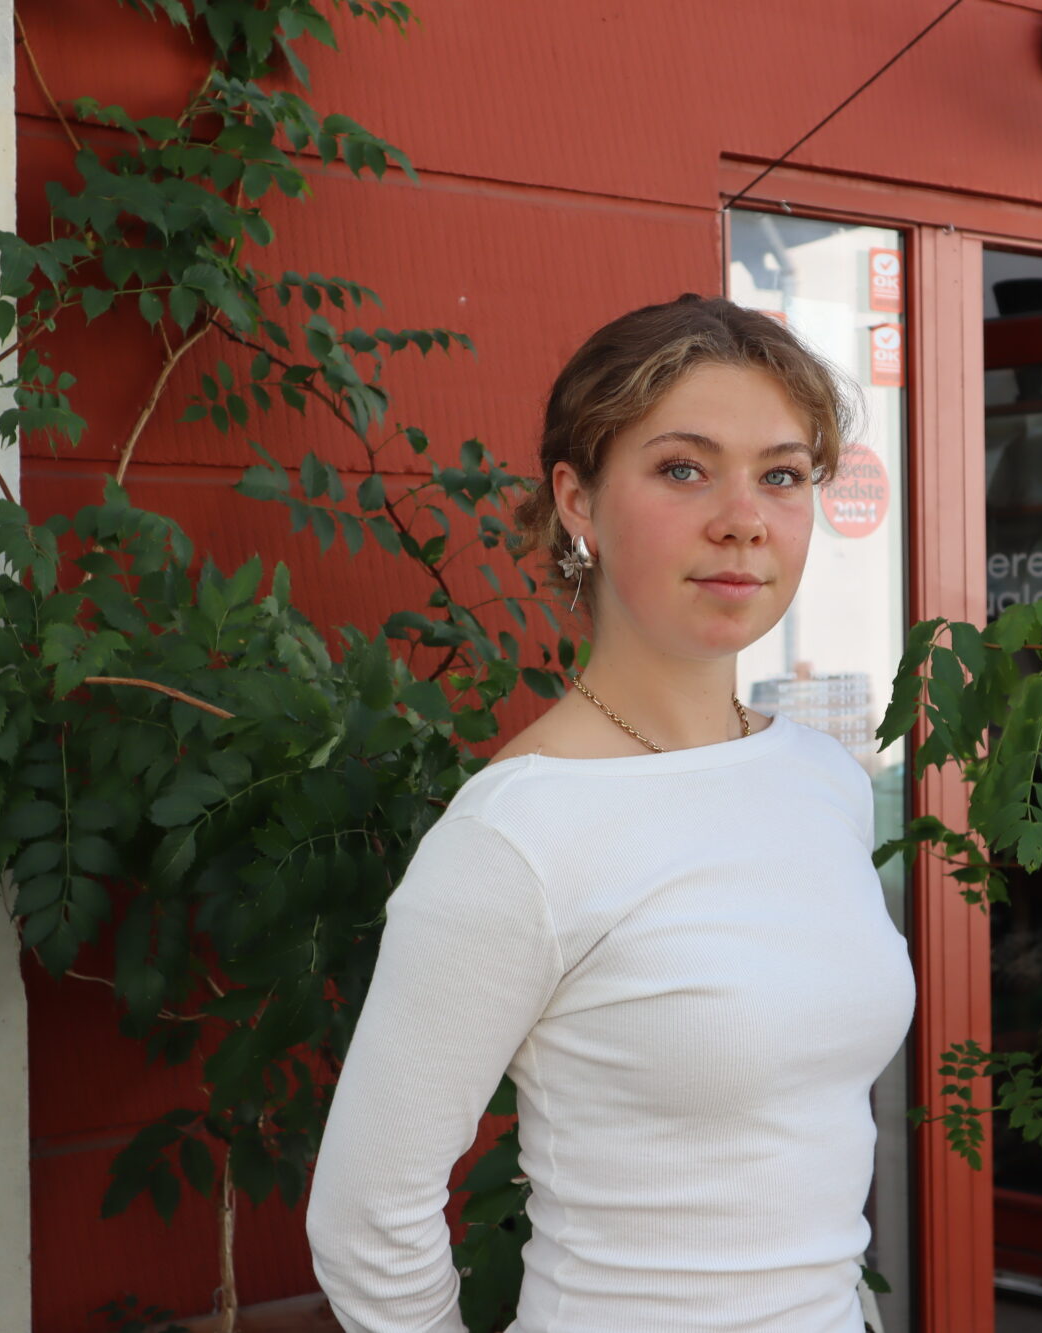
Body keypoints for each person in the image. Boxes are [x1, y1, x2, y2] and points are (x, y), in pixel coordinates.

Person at [305, 294, 917, 1332]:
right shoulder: (518, 836)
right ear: (577, 500)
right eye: (683, 469)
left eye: (780, 474)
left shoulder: (823, 779)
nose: (743, 517)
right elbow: (366, 1221)